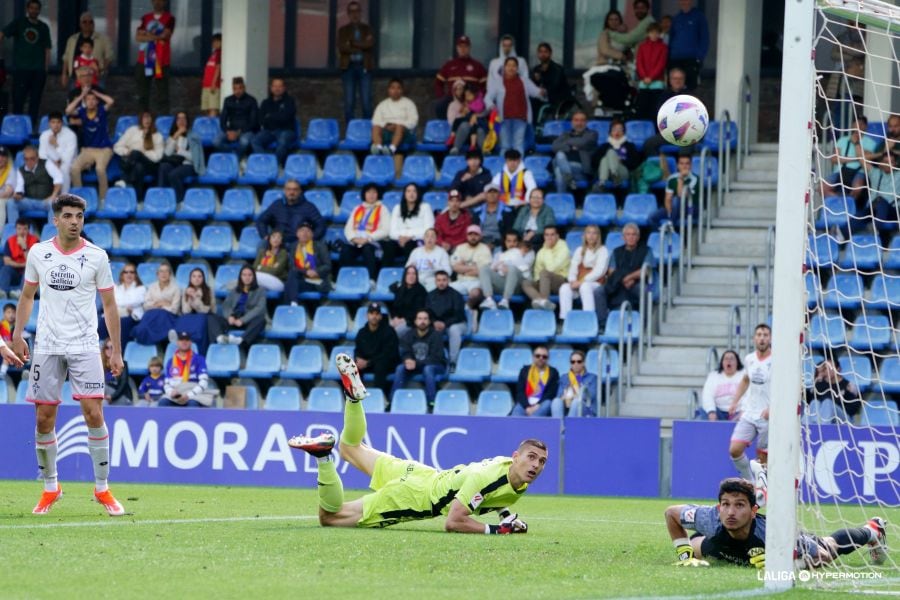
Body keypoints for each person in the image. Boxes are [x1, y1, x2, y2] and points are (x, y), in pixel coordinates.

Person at [288, 353, 546, 532]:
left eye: (542, 461)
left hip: (421, 473)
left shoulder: (509, 473)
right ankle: (323, 457)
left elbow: (494, 493)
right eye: (531, 457)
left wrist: (507, 517)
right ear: (516, 456)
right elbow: (453, 522)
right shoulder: (491, 477)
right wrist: (498, 530)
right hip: (414, 497)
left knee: (349, 448)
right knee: (329, 518)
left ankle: (354, 400)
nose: (536, 464)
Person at [11, 193, 125, 516]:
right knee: (44, 419)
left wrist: (115, 350)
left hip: (84, 345)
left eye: (79, 216)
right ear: (56, 219)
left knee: (94, 414)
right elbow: (27, 296)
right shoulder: (39, 253)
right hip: (46, 345)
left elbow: (110, 305)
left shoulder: (97, 257)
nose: (75, 222)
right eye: (69, 216)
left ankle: (102, 488)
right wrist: (18, 335)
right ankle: (51, 488)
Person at [665, 478, 887, 569]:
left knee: (829, 545)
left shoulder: (772, 533)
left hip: (780, 545)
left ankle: (873, 530)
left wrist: (779, 563)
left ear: (753, 511)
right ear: (718, 507)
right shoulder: (711, 518)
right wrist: (684, 556)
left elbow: (824, 558)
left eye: (739, 505)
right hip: (728, 543)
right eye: (726, 504)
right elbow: (671, 513)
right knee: (698, 550)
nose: (730, 512)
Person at [727, 324, 772, 481]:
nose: (762, 338)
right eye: (759, 334)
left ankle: (764, 490)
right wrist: (735, 401)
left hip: (767, 416)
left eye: (765, 335)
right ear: (754, 338)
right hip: (749, 413)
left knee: (762, 458)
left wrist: (772, 408)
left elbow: (783, 386)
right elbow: (746, 380)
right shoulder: (749, 359)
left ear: (770, 338)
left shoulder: (776, 360)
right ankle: (750, 482)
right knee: (734, 450)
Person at [0, 0, 52, 130]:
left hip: (38, 70)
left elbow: (47, 48)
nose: (34, 10)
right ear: (27, 9)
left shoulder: (43, 27)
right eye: (32, 8)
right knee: (18, 100)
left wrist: (45, 69)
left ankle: (31, 128)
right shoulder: (19, 23)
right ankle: (17, 128)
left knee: (35, 101)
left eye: (36, 8)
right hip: (21, 69)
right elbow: (2, 34)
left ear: (39, 10)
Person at [593, 223, 651, 326]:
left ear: (638, 237)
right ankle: (603, 324)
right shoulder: (617, 251)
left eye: (634, 235)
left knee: (645, 291)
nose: (631, 237)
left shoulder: (646, 250)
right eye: (628, 234)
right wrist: (623, 279)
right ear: (623, 237)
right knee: (598, 292)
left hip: (636, 283)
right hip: (617, 282)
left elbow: (645, 271)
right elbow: (611, 271)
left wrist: (629, 277)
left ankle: (644, 324)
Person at [485, 57, 545, 156]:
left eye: (514, 66)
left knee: (518, 145)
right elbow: (487, 98)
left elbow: (536, 92)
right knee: (505, 146)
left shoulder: (524, 81)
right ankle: (504, 169)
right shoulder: (497, 82)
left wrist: (542, 92)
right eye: (509, 65)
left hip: (521, 118)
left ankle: (519, 169)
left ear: (517, 68)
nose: (511, 68)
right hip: (503, 119)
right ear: (504, 67)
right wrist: (491, 106)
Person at [389, 309, 447, 408]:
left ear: (429, 321)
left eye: (425, 319)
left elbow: (436, 357)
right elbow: (405, 351)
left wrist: (416, 363)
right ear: (415, 321)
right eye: (419, 318)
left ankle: (431, 402)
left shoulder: (436, 336)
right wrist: (407, 360)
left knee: (428, 369)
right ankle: (392, 401)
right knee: (400, 368)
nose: (422, 321)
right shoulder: (409, 335)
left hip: (436, 366)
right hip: (416, 365)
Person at [67, 87, 115, 201]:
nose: (91, 101)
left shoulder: (101, 110)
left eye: (94, 99)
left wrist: (96, 92)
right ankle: (79, 198)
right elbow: (68, 111)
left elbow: (111, 101)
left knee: (100, 169)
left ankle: (103, 199)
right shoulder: (82, 112)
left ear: (97, 101)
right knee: (74, 168)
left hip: (104, 149)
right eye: (88, 99)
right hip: (88, 149)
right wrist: (81, 96)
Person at [210, 265, 267, 351]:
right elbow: (226, 305)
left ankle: (241, 340)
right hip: (234, 319)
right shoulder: (235, 290)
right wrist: (230, 316)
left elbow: (260, 308)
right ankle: (220, 338)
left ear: (254, 276)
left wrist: (242, 320)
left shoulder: (260, 290)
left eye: (249, 275)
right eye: (244, 275)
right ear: (240, 277)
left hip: (248, 321)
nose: (247, 277)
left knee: (261, 320)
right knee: (211, 318)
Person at [341, 183, 390, 281]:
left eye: (374, 192)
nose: (371, 195)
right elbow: (348, 228)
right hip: (357, 241)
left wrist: (368, 238)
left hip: (373, 241)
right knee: (346, 250)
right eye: (368, 192)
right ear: (364, 194)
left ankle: (371, 279)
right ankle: (346, 279)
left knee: (368, 249)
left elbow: (386, 230)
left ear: (378, 194)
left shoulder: (383, 209)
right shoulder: (357, 209)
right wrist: (353, 238)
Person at [559, 225, 609, 319]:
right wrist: (572, 281)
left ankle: (589, 318)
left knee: (585, 286)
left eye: (594, 233)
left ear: (598, 236)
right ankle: (565, 319)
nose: (591, 236)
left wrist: (582, 281)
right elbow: (573, 267)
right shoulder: (579, 250)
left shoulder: (603, 250)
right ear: (584, 235)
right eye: (588, 233)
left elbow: (599, 271)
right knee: (564, 288)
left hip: (596, 283)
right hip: (578, 283)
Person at [134, 0, 175, 114]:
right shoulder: (145, 18)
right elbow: (138, 37)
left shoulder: (169, 18)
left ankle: (163, 122)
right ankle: (143, 120)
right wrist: (157, 37)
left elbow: (166, 35)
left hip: (161, 62)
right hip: (144, 60)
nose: (158, 2)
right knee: (142, 94)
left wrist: (147, 35)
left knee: (162, 95)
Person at [371, 78, 418, 176]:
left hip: (404, 133)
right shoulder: (382, 105)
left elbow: (414, 121)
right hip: (386, 131)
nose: (395, 91)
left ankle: (391, 149)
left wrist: (397, 125)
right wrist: (387, 126)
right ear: (388, 90)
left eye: (398, 88)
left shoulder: (409, 104)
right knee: (375, 127)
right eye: (392, 88)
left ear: (402, 90)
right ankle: (378, 147)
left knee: (400, 127)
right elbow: (376, 120)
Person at [337, 0, 375, 124]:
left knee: (366, 102)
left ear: (361, 12)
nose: (355, 14)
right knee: (349, 102)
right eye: (352, 11)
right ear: (348, 13)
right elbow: (342, 48)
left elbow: (370, 44)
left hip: (365, 67)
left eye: (357, 11)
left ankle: (367, 131)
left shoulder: (367, 29)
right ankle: (350, 133)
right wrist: (361, 45)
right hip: (349, 67)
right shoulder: (343, 30)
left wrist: (352, 43)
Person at [434, 35, 488, 120]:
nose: (463, 49)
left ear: (469, 48)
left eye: (465, 46)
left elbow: (484, 86)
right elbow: (438, 82)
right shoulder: (449, 65)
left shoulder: (478, 66)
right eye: (460, 47)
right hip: (452, 98)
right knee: (439, 106)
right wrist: (441, 96)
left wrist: (477, 98)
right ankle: (447, 126)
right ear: (457, 48)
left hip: (471, 99)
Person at [257, 179, 325, 245]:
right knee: (263, 244)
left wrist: (311, 238)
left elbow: (321, 225)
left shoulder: (308, 207)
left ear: (300, 191)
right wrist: (265, 236)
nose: (291, 192)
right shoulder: (277, 204)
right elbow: (261, 221)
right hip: (279, 242)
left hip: (299, 243)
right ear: (284, 191)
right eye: (288, 189)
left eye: (295, 189)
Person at [114, 111, 164, 198]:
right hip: (134, 163)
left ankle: (124, 179)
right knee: (138, 167)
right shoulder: (132, 130)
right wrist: (126, 151)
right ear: (141, 119)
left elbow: (157, 157)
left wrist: (143, 153)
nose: (147, 120)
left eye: (149, 117)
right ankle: (139, 199)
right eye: (145, 117)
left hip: (150, 165)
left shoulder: (157, 135)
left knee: (136, 153)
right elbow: (117, 147)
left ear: (152, 120)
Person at [479, 231, 534, 310]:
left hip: (519, 285)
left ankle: (505, 300)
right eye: (509, 241)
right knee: (484, 269)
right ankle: (489, 300)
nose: (512, 244)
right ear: (505, 242)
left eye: (515, 241)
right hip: (503, 283)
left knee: (512, 268)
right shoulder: (499, 254)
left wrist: (507, 269)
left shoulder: (527, 252)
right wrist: (499, 267)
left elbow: (524, 268)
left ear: (519, 242)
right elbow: (493, 269)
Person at [354, 302, 399, 398]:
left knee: (381, 366)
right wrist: (358, 359)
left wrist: (369, 362)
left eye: (377, 314)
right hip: (368, 363)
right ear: (367, 316)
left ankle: (378, 398)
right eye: (371, 313)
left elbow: (388, 353)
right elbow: (358, 349)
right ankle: (354, 398)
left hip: (384, 363)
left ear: (381, 316)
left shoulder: (389, 331)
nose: (374, 316)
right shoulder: (362, 332)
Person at [384, 183, 434, 266]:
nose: (411, 194)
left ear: (418, 194)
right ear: (404, 194)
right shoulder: (397, 208)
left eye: (414, 191)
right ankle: (385, 274)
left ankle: (409, 274)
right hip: (399, 241)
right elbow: (392, 231)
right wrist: (401, 238)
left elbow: (429, 230)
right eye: (408, 191)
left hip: (417, 240)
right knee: (389, 245)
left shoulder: (425, 207)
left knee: (409, 245)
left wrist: (410, 237)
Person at [521, 225, 570, 312]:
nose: (549, 237)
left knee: (544, 273)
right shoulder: (541, 251)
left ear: (557, 236)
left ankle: (543, 303)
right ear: (544, 236)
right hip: (545, 282)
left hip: (560, 282)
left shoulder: (564, 248)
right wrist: (539, 282)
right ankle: (542, 301)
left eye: (552, 235)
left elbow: (552, 268)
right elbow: (536, 272)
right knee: (525, 283)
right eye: (547, 235)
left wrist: (548, 249)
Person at [160, 331, 214, 408]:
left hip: (193, 391)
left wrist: (189, 395)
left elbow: (204, 382)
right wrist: (170, 392)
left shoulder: (199, 359)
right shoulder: (171, 361)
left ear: (191, 342)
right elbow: (167, 383)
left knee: (192, 403)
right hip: (177, 392)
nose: (184, 342)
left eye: (187, 340)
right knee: (163, 402)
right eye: (181, 340)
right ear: (177, 342)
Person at [10, 145, 62, 225]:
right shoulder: (20, 170)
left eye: (32, 158)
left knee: (54, 203)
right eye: (26, 159)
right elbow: (19, 188)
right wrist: (17, 195)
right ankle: (13, 234)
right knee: (11, 203)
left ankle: (51, 233)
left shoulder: (46, 163)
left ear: (37, 157)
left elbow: (59, 178)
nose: (29, 161)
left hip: (46, 201)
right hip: (29, 201)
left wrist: (53, 195)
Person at [61, 11, 114, 89]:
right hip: (75, 78)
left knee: (95, 100)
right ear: (80, 24)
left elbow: (109, 57)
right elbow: (66, 57)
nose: (87, 24)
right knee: (75, 99)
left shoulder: (103, 39)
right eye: (84, 22)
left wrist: (100, 70)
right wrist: (64, 74)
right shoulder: (72, 39)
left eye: (90, 22)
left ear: (94, 24)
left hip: (96, 78)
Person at [425, 270, 467, 368]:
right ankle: (434, 360)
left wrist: (445, 323)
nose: (441, 283)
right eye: (439, 280)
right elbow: (427, 312)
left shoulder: (456, 295)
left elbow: (459, 315)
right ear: (435, 282)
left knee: (454, 330)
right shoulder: (430, 295)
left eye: (444, 280)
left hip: (456, 323)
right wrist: (434, 322)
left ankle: (453, 362)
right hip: (436, 324)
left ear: (448, 281)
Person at [252, 77, 298, 166]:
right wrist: (277, 116)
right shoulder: (265, 102)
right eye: (275, 86)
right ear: (271, 88)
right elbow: (261, 119)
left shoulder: (290, 101)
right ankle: (265, 163)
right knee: (255, 140)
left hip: (286, 130)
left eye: (280, 86)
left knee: (282, 141)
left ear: (284, 88)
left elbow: (287, 117)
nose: (277, 89)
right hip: (269, 131)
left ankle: (273, 166)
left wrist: (270, 116)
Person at [157, 111, 202, 202]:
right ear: (176, 122)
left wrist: (180, 151)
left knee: (174, 175)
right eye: (179, 119)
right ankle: (161, 198)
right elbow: (167, 153)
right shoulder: (173, 136)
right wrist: (176, 136)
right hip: (175, 163)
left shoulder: (193, 136)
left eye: (184, 118)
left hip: (189, 165)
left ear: (187, 121)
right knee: (163, 167)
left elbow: (195, 158)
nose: (181, 121)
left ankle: (180, 201)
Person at [132, 262, 181, 346]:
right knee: (146, 322)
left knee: (159, 317)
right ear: (157, 274)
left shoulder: (176, 288)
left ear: (170, 274)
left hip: (167, 316)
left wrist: (160, 305)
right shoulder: (152, 287)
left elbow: (175, 309)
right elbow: (146, 305)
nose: (164, 274)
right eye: (161, 271)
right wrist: (163, 304)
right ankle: (142, 334)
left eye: (166, 271)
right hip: (151, 314)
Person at [284, 221, 332, 302]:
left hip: (317, 281)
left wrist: (316, 271)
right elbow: (292, 266)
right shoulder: (294, 246)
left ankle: (291, 307)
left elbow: (328, 265)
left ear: (312, 234)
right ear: (297, 234)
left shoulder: (320, 246)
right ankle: (293, 304)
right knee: (290, 280)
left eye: (308, 231)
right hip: (301, 279)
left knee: (290, 285)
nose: (305, 233)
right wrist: (306, 271)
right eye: (302, 230)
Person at [667, 0, 709, 90]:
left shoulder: (699, 17)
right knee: (674, 90)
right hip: (675, 59)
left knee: (690, 89)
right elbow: (671, 38)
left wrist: (699, 58)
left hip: (691, 60)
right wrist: (669, 56)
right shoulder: (677, 18)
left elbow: (705, 38)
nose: (684, 2)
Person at [551, 111, 598, 193]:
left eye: (582, 120)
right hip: (566, 167)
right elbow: (554, 146)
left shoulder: (592, 134)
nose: (579, 123)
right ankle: (569, 179)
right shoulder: (566, 134)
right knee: (559, 158)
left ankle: (561, 199)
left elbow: (583, 142)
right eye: (576, 120)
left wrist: (565, 142)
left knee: (559, 168)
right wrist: (570, 147)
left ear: (586, 122)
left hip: (581, 170)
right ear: (572, 122)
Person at [650, 152, 699, 230]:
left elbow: (681, 195)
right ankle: (667, 235)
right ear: (677, 166)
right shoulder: (672, 178)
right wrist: (670, 214)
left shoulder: (695, 179)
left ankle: (670, 224)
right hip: (674, 209)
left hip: (690, 209)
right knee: (652, 218)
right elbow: (667, 199)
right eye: (681, 164)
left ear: (691, 166)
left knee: (676, 199)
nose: (684, 166)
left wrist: (680, 179)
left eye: (687, 163)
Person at [804, 359, 861, 424]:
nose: (827, 371)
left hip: (844, 418)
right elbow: (810, 403)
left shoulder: (848, 385)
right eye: (825, 368)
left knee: (828, 402)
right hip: (823, 418)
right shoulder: (820, 384)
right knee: (815, 402)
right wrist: (815, 384)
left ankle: (822, 428)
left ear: (838, 369)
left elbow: (853, 409)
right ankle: (812, 427)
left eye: (830, 368)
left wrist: (835, 404)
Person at [215, 77, 259, 158]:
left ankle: (235, 160)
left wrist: (238, 132)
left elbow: (253, 122)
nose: (237, 91)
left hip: (246, 130)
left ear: (244, 88)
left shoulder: (251, 100)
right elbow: (222, 119)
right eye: (235, 88)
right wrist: (228, 131)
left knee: (244, 142)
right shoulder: (228, 100)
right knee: (216, 141)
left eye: (240, 88)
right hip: (231, 130)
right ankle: (234, 155)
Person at [172, 267, 214, 353]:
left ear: (203, 278)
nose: (197, 279)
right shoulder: (185, 290)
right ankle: (178, 336)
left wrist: (195, 297)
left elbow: (205, 310)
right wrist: (189, 297)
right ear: (190, 279)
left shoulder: (208, 290)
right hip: (190, 316)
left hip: (204, 316)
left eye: (199, 276)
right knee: (183, 318)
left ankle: (191, 338)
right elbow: (185, 310)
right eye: (194, 276)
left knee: (200, 319)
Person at [449, 224, 492, 309]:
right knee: (446, 289)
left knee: (476, 293)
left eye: (476, 235)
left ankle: (467, 310)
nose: (473, 237)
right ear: (467, 236)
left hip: (477, 281)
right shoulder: (460, 248)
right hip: (461, 281)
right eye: (470, 234)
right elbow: (455, 267)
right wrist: (473, 267)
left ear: (480, 236)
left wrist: (463, 267)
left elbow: (482, 271)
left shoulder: (485, 249)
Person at [698, 350, 744, 421]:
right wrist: (711, 411)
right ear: (722, 363)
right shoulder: (713, 376)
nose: (729, 361)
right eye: (726, 359)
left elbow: (750, 395)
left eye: (732, 359)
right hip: (719, 412)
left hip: (738, 412)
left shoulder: (744, 375)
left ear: (737, 362)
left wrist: (744, 411)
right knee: (702, 411)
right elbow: (707, 395)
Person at [513, 345, 559, 417]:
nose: (541, 358)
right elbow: (520, 391)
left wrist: (538, 405)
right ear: (533, 357)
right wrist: (527, 407)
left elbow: (551, 393)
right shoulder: (525, 370)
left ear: (548, 359)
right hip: (525, 402)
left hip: (542, 403)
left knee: (547, 403)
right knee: (517, 412)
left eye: (544, 357)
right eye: (538, 356)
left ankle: (531, 425)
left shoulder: (553, 372)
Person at [595, 118, 642, 189]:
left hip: (622, 172)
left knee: (610, 153)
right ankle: (611, 177)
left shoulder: (629, 146)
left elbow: (635, 163)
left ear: (624, 132)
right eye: (614, 129)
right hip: (605, 171)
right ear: (610, 132)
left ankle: (605, 180)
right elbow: (594, 162)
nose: (617, 132)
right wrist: (609, 159)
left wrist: (621, 160)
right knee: (605, 158)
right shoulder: (604, 146)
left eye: (620, 129)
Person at [635, 23, 668, 120]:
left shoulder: (663, 47)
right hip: (644, 82)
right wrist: (644, 76)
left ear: (659, 34)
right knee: (642, 108)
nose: (654, 35)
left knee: (655, 110)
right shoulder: (642, 46)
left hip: (657, 83)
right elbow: (639, 63)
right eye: (652, 32)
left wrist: (651, 77)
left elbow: (661, 64)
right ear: (648, 33)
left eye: (656, 33)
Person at [551, 350, 599, 417]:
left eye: (579, 362)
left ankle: (570, 426)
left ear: (584, 363)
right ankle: (557, 426)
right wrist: (565, 396)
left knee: (576, 402)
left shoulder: (592, 377)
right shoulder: (564, 377)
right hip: (566, 407)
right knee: (556, 401)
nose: (575, 364)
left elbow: (591, 396)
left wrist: (574, 396)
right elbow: (559, 395)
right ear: (570, 363)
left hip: (586, 409)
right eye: (573, 362)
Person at [38, 112, 77, 194]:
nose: (56, 125)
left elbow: (68, 157)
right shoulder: (44, 135)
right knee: (46, 168)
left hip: (68, 162)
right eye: (53, 122)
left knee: (63, 169)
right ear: (49, 123)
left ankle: (64, 195)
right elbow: (42, 155)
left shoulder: (70, 135)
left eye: (58, 122)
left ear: (62, 123)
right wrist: (52, 162)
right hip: (50, 162)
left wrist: (56, 145)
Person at [530, 43, 573, 117]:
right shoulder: (536, 69)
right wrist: (537, 81)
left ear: (550, 53)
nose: (543, 54)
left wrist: (542, 81)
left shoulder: (557, 69)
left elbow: (555, 85)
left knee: (534, 102)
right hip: (542, 96)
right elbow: (533, 85)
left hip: (557, 98)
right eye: (540, 52)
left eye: (545, 52)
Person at [107, 262, 145, 345]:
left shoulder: (141, 288)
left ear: (135, 275)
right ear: (122, 275)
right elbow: (114, 301)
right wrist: (125, 306)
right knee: (103, 321)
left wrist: (121, 303)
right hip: (118, 314)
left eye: (132, 272)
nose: (129, 274)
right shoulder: (117, 288)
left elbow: (135, 301)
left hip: (133, 317)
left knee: (122, 323)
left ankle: (121, 352)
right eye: (126, 272)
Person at [0, 218, 37, 297]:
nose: (22, 231)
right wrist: (22, 264)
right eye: (19, 229)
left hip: (27, 273)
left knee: (30, 269)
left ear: (29, 230)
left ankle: (21, 293)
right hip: (14, 271)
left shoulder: (35, 241)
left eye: (25, 229)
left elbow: (32, 262)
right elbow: (7, 261)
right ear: (15, 229)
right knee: (5, 268)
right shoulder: (10, 241)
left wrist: (24, 246)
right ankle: (3, 292)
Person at [470, 182, 514, 248]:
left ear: (499, 195)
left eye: (495, 192)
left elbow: (508, 232)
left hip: (499, 244)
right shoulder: (477, 211)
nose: (492, 194)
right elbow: (474, 230)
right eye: (489, 192)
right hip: (480, 243)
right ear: (485, 195)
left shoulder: (507, 211)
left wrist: (495, 244)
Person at [405, 228, 449, 292]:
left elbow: (448, 272)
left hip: (433, 280)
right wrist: (411, 267)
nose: (429, 239)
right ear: (423, 238)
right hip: (417, 279)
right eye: (427, 236)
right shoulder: (416, 251)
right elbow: (406, 268)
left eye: (432, 236)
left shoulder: (442, 252)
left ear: (436, 239)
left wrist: (435, 267)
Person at [388, 265, 427, 336]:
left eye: (413, 273)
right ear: (404, 276)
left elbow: (418, 311)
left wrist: (403, 320)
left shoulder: (421, 290)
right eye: (408, 273)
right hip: (398, 320)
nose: (411, 276)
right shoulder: (401, 289)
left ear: (416, 276)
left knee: (394, 333)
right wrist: (395, 318)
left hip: (411, 322)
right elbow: (395, 307)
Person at [101, 338, 132, 406]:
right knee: (103, 403)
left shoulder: (122, 364)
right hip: (105, 398)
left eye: (112, 347)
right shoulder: (100, 365)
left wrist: (112, 396)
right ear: (104, 350)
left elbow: (123, 384)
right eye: (107, 347)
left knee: (102, 386)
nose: (109, 350)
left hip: (120, 396)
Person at [201, 33, 222, 117]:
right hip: (206, 85)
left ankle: (212, 127)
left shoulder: (220, 53)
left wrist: (214, 83)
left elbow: (218, 68)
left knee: (213, 107)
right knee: (206, 108)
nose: (214, 44)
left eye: (216, 41)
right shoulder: (214, 53)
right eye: (213, 42)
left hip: (213, 86)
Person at [0, 147, 16, 226]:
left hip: (5, 198)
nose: (0, 158)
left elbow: (7, 192)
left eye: (3, 156)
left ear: (7, 158)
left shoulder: (10, 170)